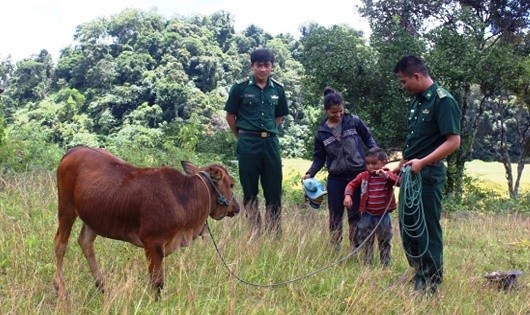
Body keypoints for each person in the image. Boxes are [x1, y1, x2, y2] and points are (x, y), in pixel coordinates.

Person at [393, 54, 461, 295]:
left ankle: (431, 280)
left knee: (427, 227)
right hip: (411, 174)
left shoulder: (443, 101)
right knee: (408, 225)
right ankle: (417, 271)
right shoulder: (418, 100)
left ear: (417, 76)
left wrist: (422, 162)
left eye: (404, 81)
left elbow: (453, 142)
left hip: (429, 174)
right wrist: (401, 164)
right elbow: (416, 142)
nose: (404, 86)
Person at [303, 87, 378, 252]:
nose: (338, 115)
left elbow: (368, 139)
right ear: (326, 111)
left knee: (355, 214)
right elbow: (319, 158)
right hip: (336, 179)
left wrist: (376, 157)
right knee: (335, 215)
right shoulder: (321, 133)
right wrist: (310, 173)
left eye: (340, 111)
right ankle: (335, 248)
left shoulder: (354, 121)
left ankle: (355, 248)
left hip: (358, 175)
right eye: (333, 112)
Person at [224, 48, 289, 237]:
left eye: (266, 65)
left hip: (270, 143)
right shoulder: (241, 87)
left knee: (274, 190)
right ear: (252, 66)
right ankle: (255, 232)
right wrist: (243, 136)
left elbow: (279, 118)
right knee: (250, 190)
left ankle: (274, 233)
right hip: (247, 142)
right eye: (258, 65)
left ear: (272, 67)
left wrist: (266, 134)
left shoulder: (278, 89)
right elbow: (230, 116)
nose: (262, 70)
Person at [343, 147, 398, 266]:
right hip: (367, 214)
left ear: (384, 162)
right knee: (366, 239)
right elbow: (351, 185)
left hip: (383, 215)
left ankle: (385, 264)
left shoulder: (388, 175)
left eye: (374, 163)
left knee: (384, 239)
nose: (371, 167)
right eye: (368, 163)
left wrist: (386, 175)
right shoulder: (363, 176)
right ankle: (367, 264)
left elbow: (398, 182)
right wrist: (348, 195)